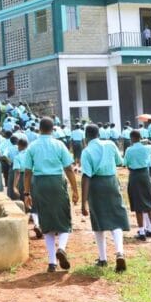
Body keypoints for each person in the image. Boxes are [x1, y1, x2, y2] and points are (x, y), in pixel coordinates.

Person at [23, 117, 80, 273]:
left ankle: (52, 263)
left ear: (39, 129)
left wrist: (26, 193)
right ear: (53, 129)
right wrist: (75, 190)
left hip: (39, 184)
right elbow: (68, 168)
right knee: (64, 219)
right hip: (57, 181)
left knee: (46, 222)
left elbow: (27, 172)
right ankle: (61, 248)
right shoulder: (59, 144)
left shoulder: (32, 146)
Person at [80, 124, 130, 272]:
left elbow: (86, 176)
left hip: (96, 185)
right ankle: (120, 252)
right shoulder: (110, 144)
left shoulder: (86, 151)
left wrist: (83, 202)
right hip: (111, 182)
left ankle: (102, 258)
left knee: (98, 221)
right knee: (116, 217)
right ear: (98, 133)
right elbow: (120, 162)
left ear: (86, 137)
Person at [124, 130, 151, 242]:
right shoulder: (148, 148)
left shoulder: (129, 150)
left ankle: (141, 232)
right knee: (150, 204)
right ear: (140, 137)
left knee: (137, 205)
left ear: (131, 138)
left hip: (134, 176)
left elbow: (126, 164)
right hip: (146, 175)